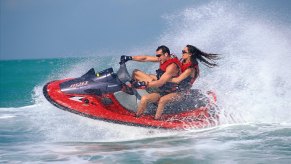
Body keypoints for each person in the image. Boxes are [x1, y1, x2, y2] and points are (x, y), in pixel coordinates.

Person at [153, 45, 220, 119]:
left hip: (182, 92)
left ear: (190, 54)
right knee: (151, 79)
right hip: (174, 88)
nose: (182, 53)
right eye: (182, 51)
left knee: (163, 100)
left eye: (184, 52)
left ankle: (156, 119)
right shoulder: (182, 61)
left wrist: (164, 79)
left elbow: (178, 80)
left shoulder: (190, 69)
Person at [120, 45, 181, 118]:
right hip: (160, 86)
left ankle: (137, 117)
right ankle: (131, 91)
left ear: (166, 54)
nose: (158, 58)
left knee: (144, 99)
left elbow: (161, 82)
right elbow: (146, 58)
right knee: (136, 72)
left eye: (159, 55)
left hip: (164, 92)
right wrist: (130, 58)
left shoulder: (172, 67)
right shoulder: (163, 59)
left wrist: (144, 84)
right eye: (157, 56)